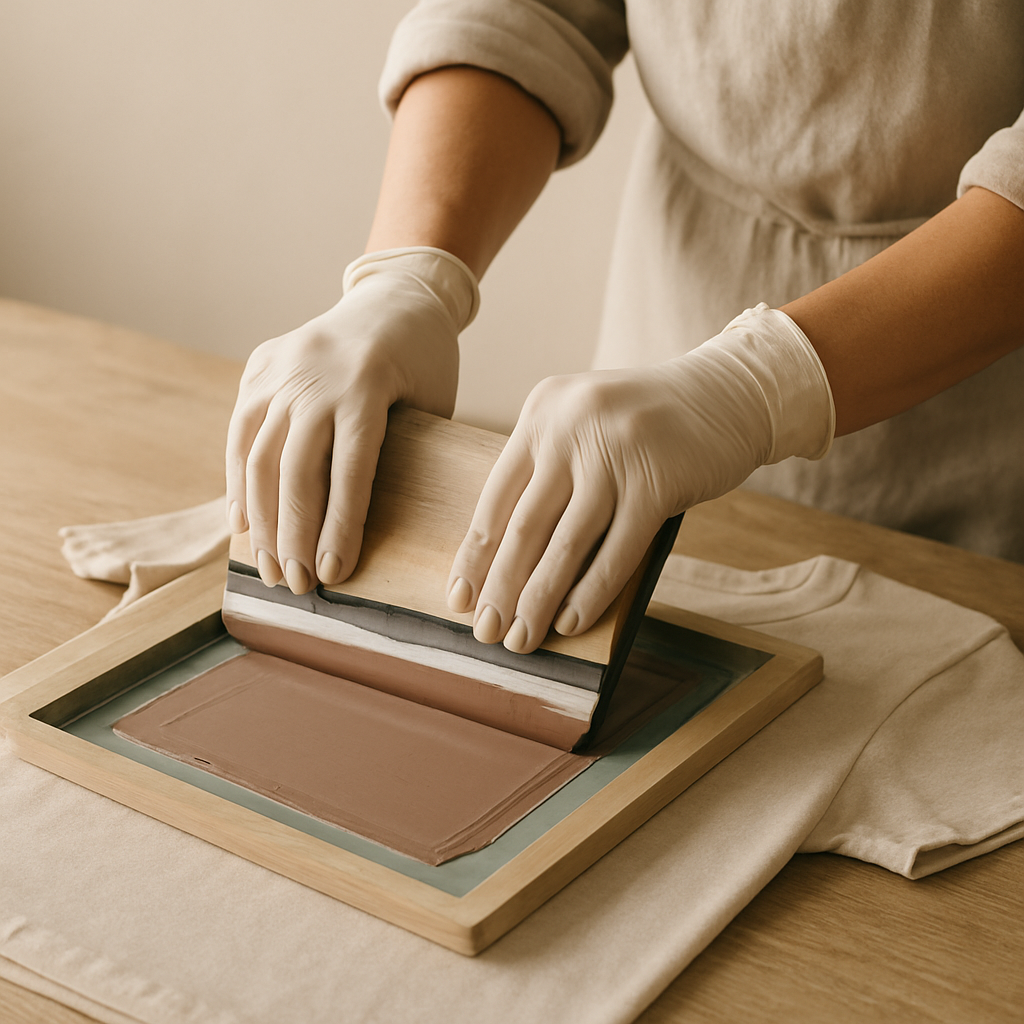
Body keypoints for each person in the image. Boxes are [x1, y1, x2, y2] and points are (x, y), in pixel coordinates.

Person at [225, 0, 1024, 657]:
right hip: (659, 376)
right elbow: (532, 12)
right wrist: (410, 276)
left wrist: (752, 389)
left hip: (986, 428)